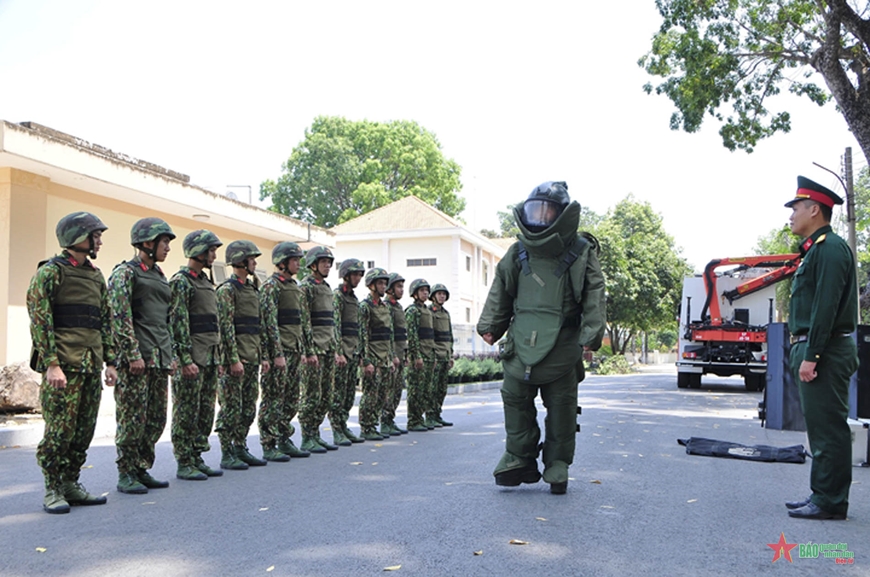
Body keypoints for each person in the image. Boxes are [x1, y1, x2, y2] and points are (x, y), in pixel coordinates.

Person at [477, 181, 605, 494]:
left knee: (561, 406)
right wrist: (491, 325)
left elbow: (595, 293)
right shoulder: (517, 252)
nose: (542, 218)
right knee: (515, 399)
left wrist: (591, 333)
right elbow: (501, 289)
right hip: (520, 343)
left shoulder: (580, 251)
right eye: (537, 210)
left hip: (563, 344)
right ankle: (518, 457)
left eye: (549, 212)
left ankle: (557, 464)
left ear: (563, 216)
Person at [27, 212, 118, 514]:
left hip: (90, 364)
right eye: (95, 235)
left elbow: (105, 321)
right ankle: (53, 488)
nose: (100, 241)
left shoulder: (95, 275)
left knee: (83, 429)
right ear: (76, 237)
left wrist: (111, 361)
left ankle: (70, 483)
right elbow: (41, 321)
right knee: (59, 431)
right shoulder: (51, 273)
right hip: (64, 367)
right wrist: (52, 364)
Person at [783, 176, 858, 520]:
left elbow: (825, 307)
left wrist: (811, 355)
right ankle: (822, 493)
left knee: (829, 429)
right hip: (817, 348)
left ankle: (830, 501)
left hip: (824, 351)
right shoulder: (816, 249)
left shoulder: (828, 249)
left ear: (815, 210)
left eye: (796, 208)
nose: (791, 215)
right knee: (820, 428)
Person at [109, 217, 177, 494]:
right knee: (132, 419)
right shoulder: (125, 273)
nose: (168, 248)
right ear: (147, 243)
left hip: (159, 357)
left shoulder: (160, 276)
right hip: (137, 359)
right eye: (164, 242)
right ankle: (126, 472)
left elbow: (166, 321)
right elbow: (119, 316)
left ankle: (141, 467)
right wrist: (132, 354)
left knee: (156, 418)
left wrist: (170, 354)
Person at [169, 229, 224, 481]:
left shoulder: (205, 282)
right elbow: (178, 323)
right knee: (186, 411)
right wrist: (184, 359)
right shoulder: (181, 281)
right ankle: (184, 460)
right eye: (210, 250)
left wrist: (220, 356)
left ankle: (197, 456)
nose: (214, 255)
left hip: (210, 356)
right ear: (197, 251)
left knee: (204, 411)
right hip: (192, 357)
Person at [215, 240, 269, 470]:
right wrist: (232, 359)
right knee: (231, 407)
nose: (255, 262)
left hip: (252, 355)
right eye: (251, 259)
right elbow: (225, 328)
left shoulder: (251, 289)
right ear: (240, 261)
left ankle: (240, 445)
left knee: (248, 406)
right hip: (236, 360)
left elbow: (259, 326)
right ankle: (227, 451)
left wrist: (263, 355)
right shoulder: (227, 290)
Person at [258, 241, 311, 461]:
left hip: (295, 349)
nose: (298, 263)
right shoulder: (271, 286)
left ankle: (284, 438)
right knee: (273, 398)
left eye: (299, 259)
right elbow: (269, 322)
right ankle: (268, 443)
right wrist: (276, 354)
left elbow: (303, 322)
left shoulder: (296, 288)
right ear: (282, 262)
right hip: (279, 352)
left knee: (291, 398)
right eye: (294, 260)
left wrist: (307, 350)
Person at [299, 246, 342, 453]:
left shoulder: (326, 287)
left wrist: (334, 349)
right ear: (313, 264)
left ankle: (315, 433)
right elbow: (304, 321)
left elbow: (331, 323)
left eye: (329, 262)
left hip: (327, 348)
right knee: (311, 395)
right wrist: (309, 350)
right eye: (324, 262)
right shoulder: (306, 287)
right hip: (314, 349)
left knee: (326, 395)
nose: (327, 265)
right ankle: (307, 436)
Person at [358, 268, 399, 440]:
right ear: (371, 285)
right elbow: (363, 335)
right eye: (380, 283)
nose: (384, 286)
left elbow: (389, 335)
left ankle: (374, 425)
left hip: (385, 358)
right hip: (373, 357)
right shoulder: (365, 307)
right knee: (370, 395)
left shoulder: (385, 307)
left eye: (385, 283)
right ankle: (366, 427)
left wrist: (392, 356)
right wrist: (366, 361)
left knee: (382, 394)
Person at [329, 258, 366, 446]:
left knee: (349, 392)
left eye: (360, 275)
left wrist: (359, 353)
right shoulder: (337, 296)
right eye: (355, 274)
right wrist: (338, 351)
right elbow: (335, 325)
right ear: (345, 275)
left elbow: (357, 328)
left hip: (352, 351)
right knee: (338, 393)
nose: (358, 278)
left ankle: (343, 425)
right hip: (342, 352)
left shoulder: (354, 299)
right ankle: (336, 428)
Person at [404, 279, 436, 432]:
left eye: (426, 291)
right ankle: (413, 419)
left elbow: (431, 335)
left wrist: (433, 355)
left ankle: (420, 418)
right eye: (422, 290)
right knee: (415, 389)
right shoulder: (412, 311)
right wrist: (416, 356)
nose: (425, 293)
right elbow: (412, 335)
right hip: (419, 356)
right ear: (415, 293)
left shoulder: (428, 311)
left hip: (429, 354)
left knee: (425, 389)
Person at [382, 273, 408, 435]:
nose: (402, 290)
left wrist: (404, 355)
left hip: (400, 353)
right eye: (398, 287)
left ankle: (390, 419)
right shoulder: (387, 307)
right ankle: (384, 421)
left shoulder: (398, 307)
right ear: (390, 289)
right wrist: (392, 355)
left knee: (397, 390)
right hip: (392, 355)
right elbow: (388, 334)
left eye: (402, 287)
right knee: (388, 390)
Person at [429, 284, 454, 428]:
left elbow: (449, 336)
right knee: (432, 388)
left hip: (445, 355)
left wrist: (450, 354)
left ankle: (437, 414)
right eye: (439, 294)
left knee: (441, 388)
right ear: (433, 296)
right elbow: (429, 336)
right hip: (435, 355)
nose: (441, 296)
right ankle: (430, 415)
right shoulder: (429, 312)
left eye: (444, 294)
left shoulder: (446, 313)